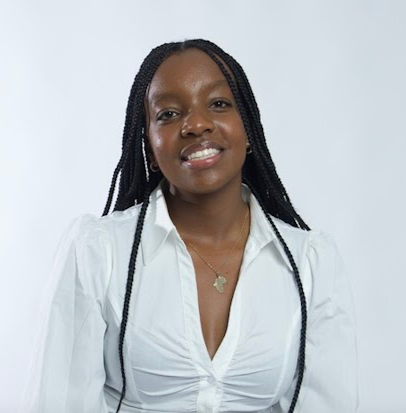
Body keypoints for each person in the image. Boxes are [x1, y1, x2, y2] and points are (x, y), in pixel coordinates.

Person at [20, 39, 358, 413]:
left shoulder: (311, 263)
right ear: (149, 146)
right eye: (168, 114)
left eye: (218, 104)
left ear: (248, 129)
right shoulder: (99, 252)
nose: (196, 124)